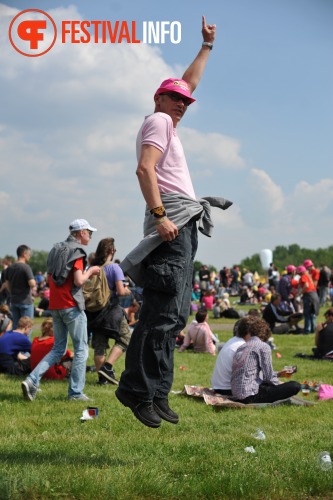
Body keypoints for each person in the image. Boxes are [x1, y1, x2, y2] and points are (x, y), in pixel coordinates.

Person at [116, 16, 231, 428]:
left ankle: (158, 391)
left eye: (186, 102)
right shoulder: (159, 121)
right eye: (175, 99)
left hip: (183, 220)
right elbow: (145, 170)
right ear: (158, 98)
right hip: (173, 218)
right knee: (160, 314)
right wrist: (162, 217)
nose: (182, 104)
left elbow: (188, 83)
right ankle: (136, 391)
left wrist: (206, 46)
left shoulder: (170, 118)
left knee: (175, 315)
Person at [21, 219, 100, 402]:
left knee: (58, 349)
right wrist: (91, 271)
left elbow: (50, 280)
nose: (90, 236)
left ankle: (32, 380)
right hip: (72, 305)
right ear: (81, 233)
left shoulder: (55, 249)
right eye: (89, 232)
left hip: (55, 305)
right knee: (81, 350)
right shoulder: (78, 252)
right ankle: (76, 393)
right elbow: (79, 281)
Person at [86, 238, 132, 386]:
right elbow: (120, 291)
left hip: (94, 312)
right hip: (111, 311)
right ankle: (108, 367)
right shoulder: (114, 268)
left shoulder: (92, 268)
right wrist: (127, 290)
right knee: (125, 338)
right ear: (111, 251)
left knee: (100, 346)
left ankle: (102, 380)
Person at [231, 316, 301, 404]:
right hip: (250, 396)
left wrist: (278, 374)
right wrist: (280, 386)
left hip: (236, 394)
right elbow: (269, 377)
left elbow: (251, 374)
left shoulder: (242, 347)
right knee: (295, 386)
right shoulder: (263, 346)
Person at [211, 316, 251, 396]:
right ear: (248, 333)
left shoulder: (232, 341)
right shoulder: (242, 347)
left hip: (219, 387)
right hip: (229, 390)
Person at [2, 245, 36, 328]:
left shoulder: (9, 268)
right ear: (24, 254)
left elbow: (7, 284)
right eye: (29, 254)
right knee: (26, 327)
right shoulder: (25, 267)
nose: (29, 256)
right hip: (25, 301)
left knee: (16, 326)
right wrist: (34, 282)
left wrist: (12, 293)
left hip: (14, 301)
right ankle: (25, 341)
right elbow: (32, 283)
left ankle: (16, 341)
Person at [297, 265, 319, 334]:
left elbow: (306, 285)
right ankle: (313, 330)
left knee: (307, 314)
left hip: (308, 296)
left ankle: (307, 330)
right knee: (312, 314)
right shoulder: (308, 276)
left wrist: (300, 293)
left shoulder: (304, 276)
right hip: (314, 295)